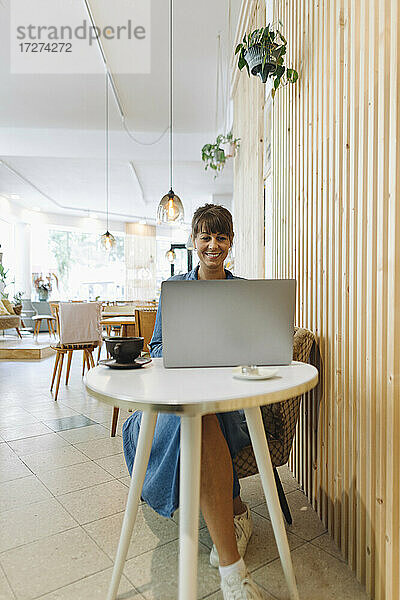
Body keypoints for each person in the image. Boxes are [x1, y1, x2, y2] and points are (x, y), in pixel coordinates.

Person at [122, 204, 264, 600]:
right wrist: (189, 353)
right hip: (182, 392)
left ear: (230, 243)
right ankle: (234, 535)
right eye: (206, 237)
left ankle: (233, 566)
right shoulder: (176, 289)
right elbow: (159, 346)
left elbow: (258, 346)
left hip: (228, 403)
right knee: (189, 416)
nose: (213, 245)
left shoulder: (242, 292)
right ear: (194, 241)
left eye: (221, 237)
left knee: (199, 417)